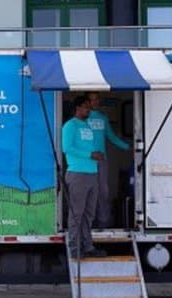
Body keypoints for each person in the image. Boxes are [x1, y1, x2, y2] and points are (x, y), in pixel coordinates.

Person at [62, 96, 107, 258]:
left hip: (92, 173)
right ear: (77, 108)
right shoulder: (70, 126)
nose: (89, 109)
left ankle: (88, 246)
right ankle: (74, 248)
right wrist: (90, 155)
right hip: (78, 174)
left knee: (89, 214)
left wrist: (98, 154)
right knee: (76, 214)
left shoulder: (88, 126)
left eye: (89, 107)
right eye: (86, 107)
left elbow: (93, 146)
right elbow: (67, 148)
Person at [86, 92, 130, 229]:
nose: (95, 102)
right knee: (88, 190)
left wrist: (127, 146)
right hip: (87, 160)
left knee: (103, 190)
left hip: (102, 159)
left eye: (97, 99)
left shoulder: (103, 118)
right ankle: (88, 221)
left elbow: (110, 136)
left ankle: (103, 221)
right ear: (87, 102)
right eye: (92, 100)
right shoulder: (83, 118)